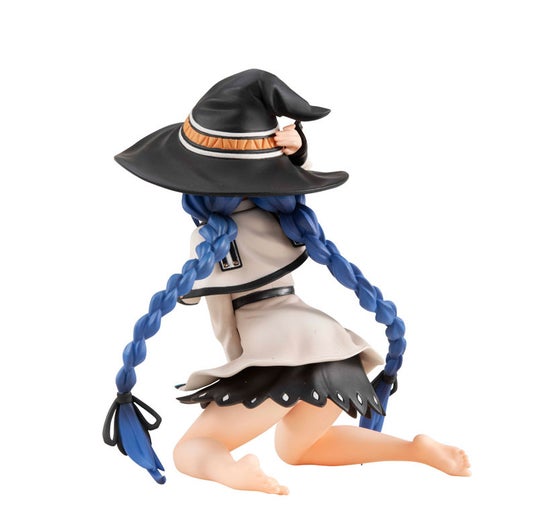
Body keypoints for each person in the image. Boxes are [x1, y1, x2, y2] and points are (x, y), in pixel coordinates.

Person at [104, 69, 470, 493]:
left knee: (192, 449)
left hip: (276, 356)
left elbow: (219, 318)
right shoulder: (287, 221)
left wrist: (237, 362)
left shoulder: (208, 242)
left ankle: (234, 471)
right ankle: (415, 449)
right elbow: (296, 183)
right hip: (334, 348)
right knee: (299, 447)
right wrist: (298, 153)